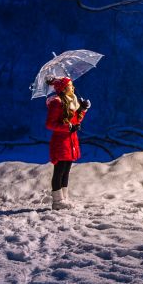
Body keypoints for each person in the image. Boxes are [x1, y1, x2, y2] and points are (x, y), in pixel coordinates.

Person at [44, 76, 90, 210]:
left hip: (70, 141)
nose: (73, 87)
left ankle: (64, 198)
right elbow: (50, 124)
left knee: (66, 171)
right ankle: (57, 201)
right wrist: (69, 127)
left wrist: (82, 110)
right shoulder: (57, 103)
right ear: (63, 89)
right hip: (60, 141)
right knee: (59, 170)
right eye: (70, 85)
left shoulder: (71, 102)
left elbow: (76, 121)